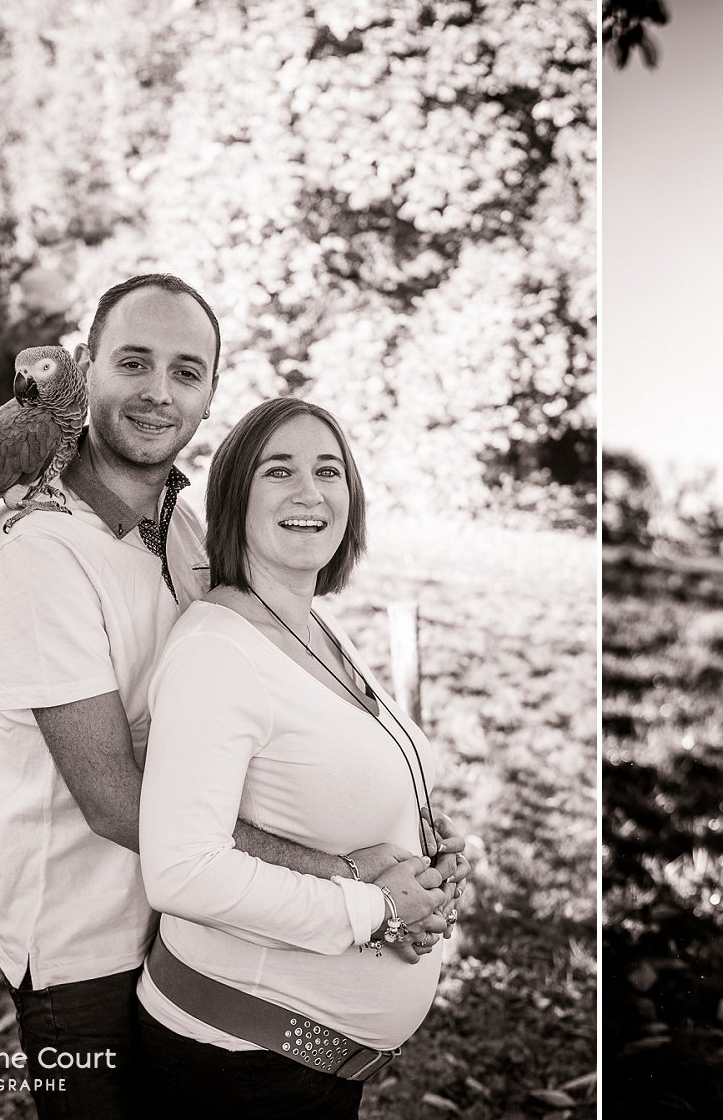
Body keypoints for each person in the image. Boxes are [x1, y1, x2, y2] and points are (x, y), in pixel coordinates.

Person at [0, 275, 394, 1119]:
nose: (158, 392)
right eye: (134, 362)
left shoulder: (189, 532)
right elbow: (111, 800)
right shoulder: (42, 549)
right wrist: (345, 877)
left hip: (196, 934)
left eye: (187, 371)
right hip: (84, 954)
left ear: (208, 396)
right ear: (85, 370)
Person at [133, 397, 471, 1118]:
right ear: (235, 499)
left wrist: (426, 868)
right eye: (277, 471)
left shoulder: (312, 625)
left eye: (328, 471)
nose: (309, 493)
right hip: (236, 1066)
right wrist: (377, 909)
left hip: (302, 1072)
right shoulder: (217, 651)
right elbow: (181, 871)